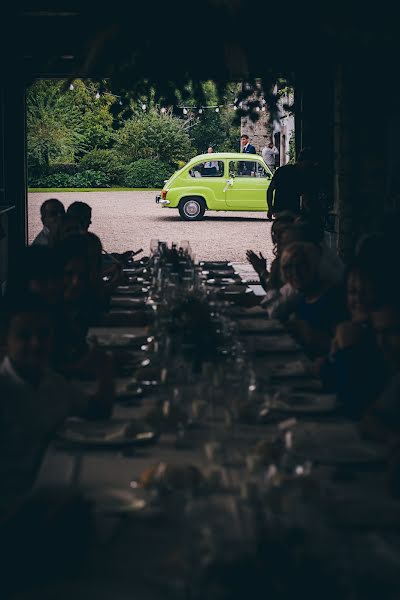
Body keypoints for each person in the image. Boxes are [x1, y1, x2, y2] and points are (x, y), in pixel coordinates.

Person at [266, 147, 318, 220]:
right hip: (293, 212)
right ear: (305, 161)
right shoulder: (303, 176)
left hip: (280, 210)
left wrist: (270, 208)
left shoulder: (281, 171)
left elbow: (270, 190)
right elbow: (305, 197)